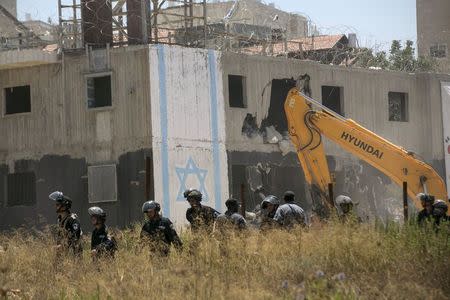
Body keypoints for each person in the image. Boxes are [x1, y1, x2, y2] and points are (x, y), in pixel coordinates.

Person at [49, 191, 82, 257]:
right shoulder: (60, 220)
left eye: (58, 204)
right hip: (63, 253)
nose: (56, 206)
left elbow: (75, 235)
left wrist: (63, 245)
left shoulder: (72, 219)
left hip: (73, 254)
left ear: (64, 206)